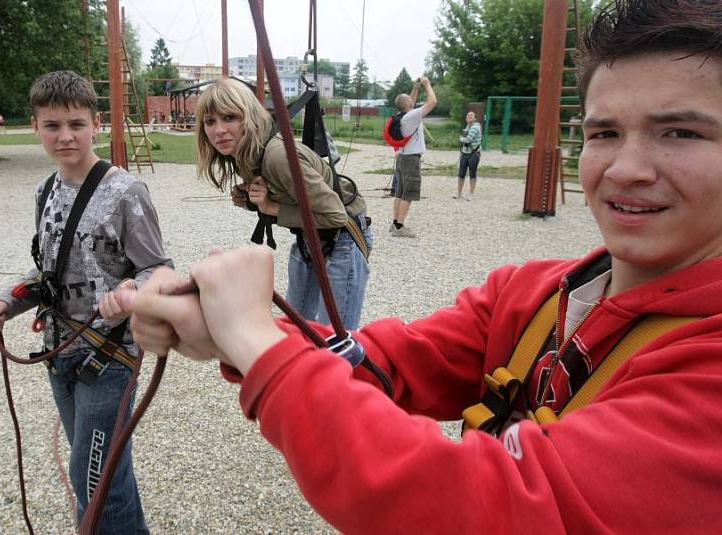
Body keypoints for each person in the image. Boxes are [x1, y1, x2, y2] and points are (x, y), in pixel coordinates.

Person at [120, 0, 722, 532]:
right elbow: (384, 362)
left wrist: (260, 343)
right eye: (605, 133)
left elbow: (477, 503)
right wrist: (223, 330)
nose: (627, 168)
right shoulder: (527, 295)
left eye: (681, 133)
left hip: (337, 243)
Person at [0, 71, 172, 534]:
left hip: (109, 358)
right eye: (52, 126)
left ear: (97, 123)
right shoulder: (46, 192)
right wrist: (10, 301)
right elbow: (49, 270)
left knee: (94, 478)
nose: (65, 136)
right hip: (59, 354)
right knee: (104, 473)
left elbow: (158, 269)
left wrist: (128, 295)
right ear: (36, 127)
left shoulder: (125, 193)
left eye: (75, 124)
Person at [194, 77, 373, 331]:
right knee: (295, 330)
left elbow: (335, 215)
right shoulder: (247, 153)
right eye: (210, 122)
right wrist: (254, 201)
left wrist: (270, 208)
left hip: (343, 238)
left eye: (230, 118)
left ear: (249, 117)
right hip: (309, 237)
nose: (219, 130)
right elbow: (292, 200)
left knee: (336, 340)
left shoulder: (277, 156)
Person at [389, 76, 436, 238]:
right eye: (410, 99)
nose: (412, 101)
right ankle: (400, 227)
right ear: (407, 104)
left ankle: (395, 223)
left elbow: (411, 103)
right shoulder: (412, 116)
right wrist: (427, 85)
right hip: (411, 159)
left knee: (399, 192)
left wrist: (416, 88)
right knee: (409, 193)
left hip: (402, 156)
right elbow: (433, 102)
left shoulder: (402, 115)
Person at [455, 110, 481, 200]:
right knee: (461, 173)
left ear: (475, 118)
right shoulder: (467, 126)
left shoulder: (475, 127)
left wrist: (461, 139)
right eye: (468, 115)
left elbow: (468, 139)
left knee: (472, 174)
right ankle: (459, 193)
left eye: (471, 115)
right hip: (465, 153)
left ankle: (471, 194)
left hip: (474, 154)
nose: (469, 116)